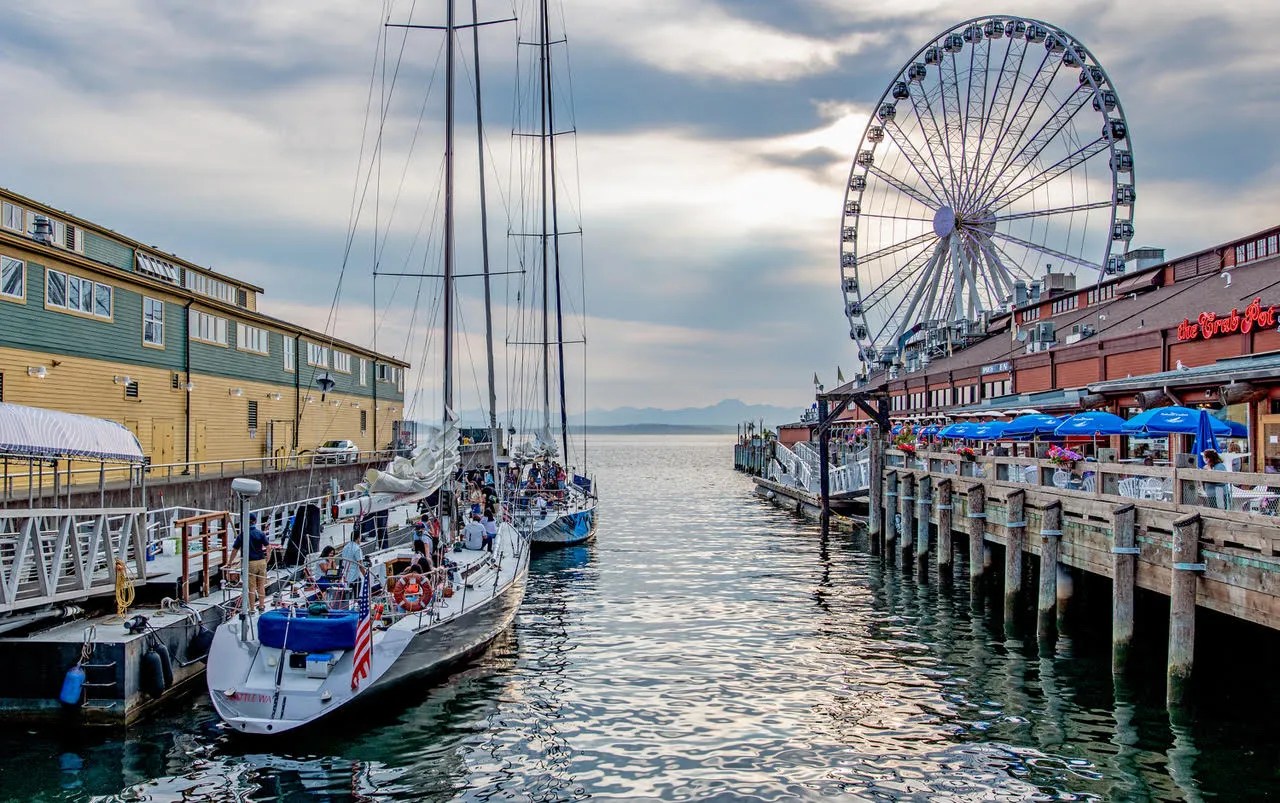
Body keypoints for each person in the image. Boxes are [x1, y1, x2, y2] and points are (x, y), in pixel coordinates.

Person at [228, 514, 271, 612]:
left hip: (250, 563)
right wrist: (267, 559)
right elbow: (268, 547)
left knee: (251, 587)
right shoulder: (260, 534)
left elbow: (235, 550)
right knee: (261, 586)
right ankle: (261, 605)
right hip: (261, 561)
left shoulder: (242, 535)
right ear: (255, 522)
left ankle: (252, 608)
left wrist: (230, 562)